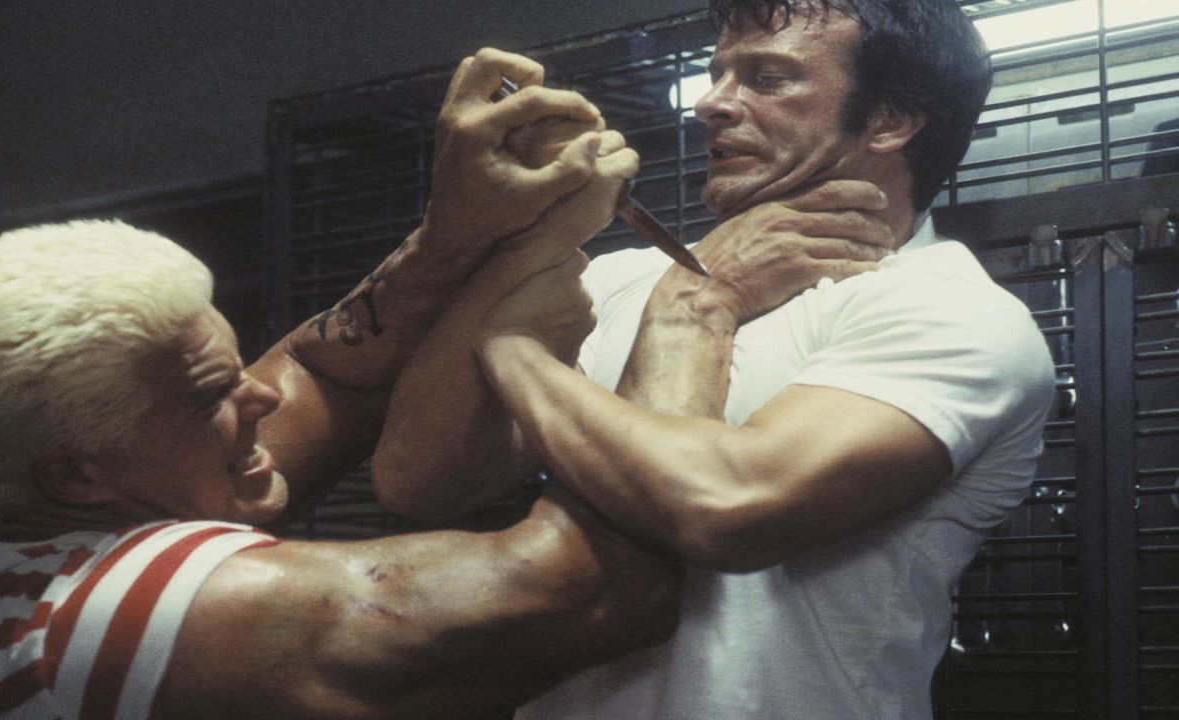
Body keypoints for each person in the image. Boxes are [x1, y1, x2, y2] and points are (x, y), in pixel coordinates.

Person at [0, 50, 683, 720]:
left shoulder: (1, 523)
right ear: (77, 476)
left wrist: (455, 229)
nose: (262, 396)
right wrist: (690, 316)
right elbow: (599, 592)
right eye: (210, 397)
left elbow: (320, 371)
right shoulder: (131, 618)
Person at [370, 1, 1057, 718]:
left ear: (889, 120)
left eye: (766, 78)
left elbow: (727, 506)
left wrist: (513, 346)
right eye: (717, 74)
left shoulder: (951, 311)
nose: (710, 103)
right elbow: (417, 480)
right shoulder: (622, 277)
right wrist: (503, 241)